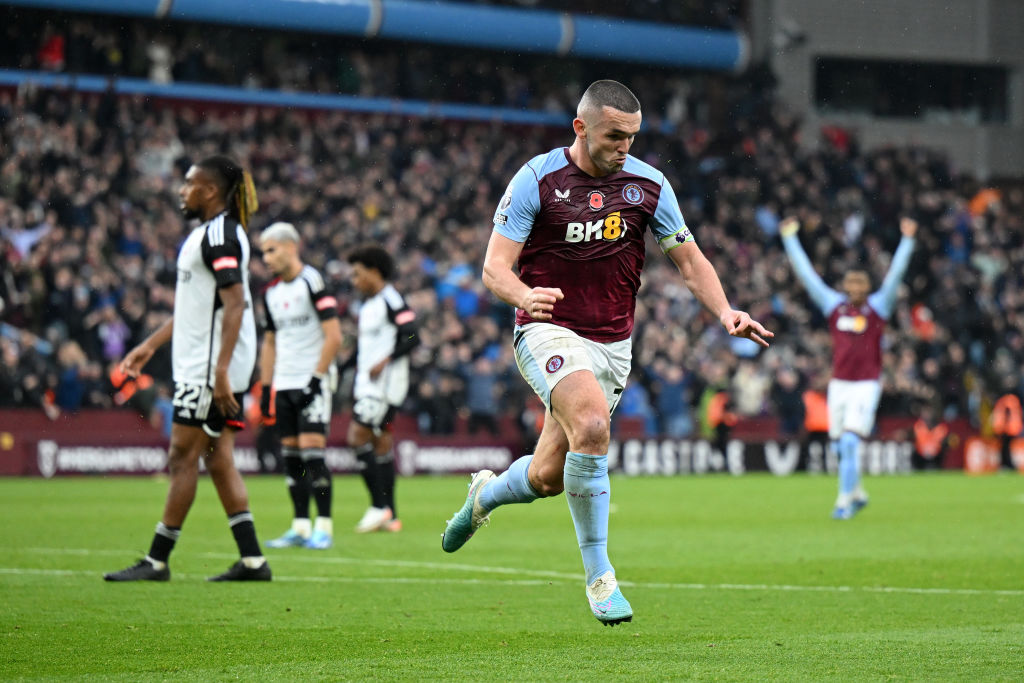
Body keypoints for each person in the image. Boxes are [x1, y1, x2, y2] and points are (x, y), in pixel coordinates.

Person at [440, 80, 773, 626]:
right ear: (580, 127)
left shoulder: (649, 185)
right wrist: (524, 295)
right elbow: (494, 266)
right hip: (547, 330)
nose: (625, 147)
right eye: (614, 135)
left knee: (549, 476)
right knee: (593, 425)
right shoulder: (537, 179)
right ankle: (600, 577)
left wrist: (725, 311)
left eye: (633, 137)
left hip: (613, 345)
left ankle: (486, 495)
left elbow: (689, 262)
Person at [104, 155, 271, 582]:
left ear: (211, 191)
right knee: (217, 458)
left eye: (189, 183)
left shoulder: (219, 235)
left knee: (182, 455)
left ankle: (157, 560)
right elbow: (199, 308)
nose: (182, 190)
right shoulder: (208, 235)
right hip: (206, 365)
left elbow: (235, 304)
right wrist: (148, 345)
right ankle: (253, 560)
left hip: (207, 370)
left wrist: (219, 372)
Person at [780, 215, 917, 519]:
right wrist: (790, 238)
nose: (855, 286)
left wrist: (907, 241)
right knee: (842, 446)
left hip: (867, 384)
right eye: (850, 281)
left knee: (851, 440)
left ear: (869, 286)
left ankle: (843, 501)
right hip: (839, 384)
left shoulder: (879, 307)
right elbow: (807, 277)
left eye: (860, 282)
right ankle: (857, 492)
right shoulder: (834, 305)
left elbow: (896, 274)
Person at [258, 222, 343, 549]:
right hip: (284, 382)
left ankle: (323, 527)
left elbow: (334, 336)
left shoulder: (312, 281)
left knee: (313, 455)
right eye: (263, 252)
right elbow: (270, 342)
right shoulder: (271, 294)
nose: (265, 258)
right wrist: (267, 388)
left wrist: (316, 378)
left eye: (271, 249)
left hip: (312, 381)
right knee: (291, 459)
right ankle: (300, 527)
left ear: (291, 248)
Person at [347, 244, 419, 533]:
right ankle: (391, 516)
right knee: (380, 445)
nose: (354, 281)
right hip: (368, 385)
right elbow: (367, 350)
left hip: (384, 388)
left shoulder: (391, 299)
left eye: (357, 274)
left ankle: (378, 507)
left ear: (374, 272)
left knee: (356, 437)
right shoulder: (368, 305)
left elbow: (413, 335)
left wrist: (385, 361)